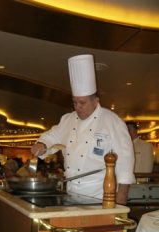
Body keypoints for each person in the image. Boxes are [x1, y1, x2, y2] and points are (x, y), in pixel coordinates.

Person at [31, 54, 135, 204]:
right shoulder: (67, 119)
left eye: (82, 102)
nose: (77, 107)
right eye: (74, 102)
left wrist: (122, 195)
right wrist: (42, 144)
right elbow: (52, 136)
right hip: (71, 194)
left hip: (100, 196)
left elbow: (125, 160)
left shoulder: (112, 121)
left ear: (95, 101)